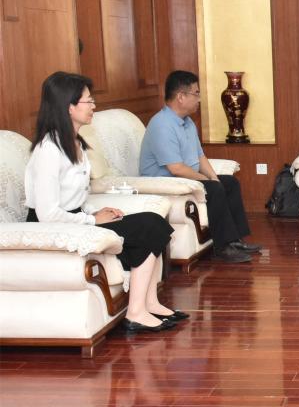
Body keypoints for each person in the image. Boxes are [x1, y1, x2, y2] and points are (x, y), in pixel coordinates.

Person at [24, 72, 181, 334]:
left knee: (153, 221)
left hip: (75, 218)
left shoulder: (75, 143)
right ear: (68, 106)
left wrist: (94, 211)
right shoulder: (48, 150)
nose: (94, 106)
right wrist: (91, 219)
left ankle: (149, 303)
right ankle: (136, 313)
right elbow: (47, 214)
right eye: (88, 101)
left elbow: (73, 198)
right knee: (148, 227)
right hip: (53, 227)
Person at [139, 71, 261, 263]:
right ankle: (223, 247)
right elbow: (176, 168)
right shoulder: (161, 125)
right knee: (214, 188)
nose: (199, 99)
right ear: (181, 96)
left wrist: (213, 177)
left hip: (183, 178)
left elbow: (199, 156)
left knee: (229, 183)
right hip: (166, 183)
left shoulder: (187, 122)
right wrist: (206, 181)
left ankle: (235, 240)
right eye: (196, 94)